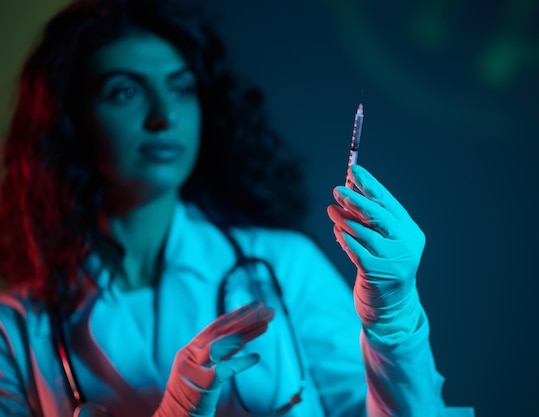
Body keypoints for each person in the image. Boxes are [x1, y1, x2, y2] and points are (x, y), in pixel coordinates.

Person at [0, 0, 475, 416]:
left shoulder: (283, 266)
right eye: (126, 91)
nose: (164, 117)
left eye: (182, 89)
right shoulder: (16, 328)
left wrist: (393, 320)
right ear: (69, 121)